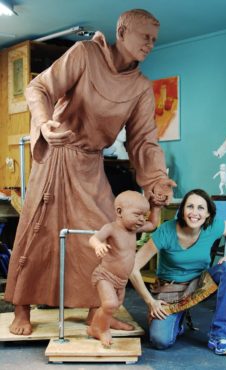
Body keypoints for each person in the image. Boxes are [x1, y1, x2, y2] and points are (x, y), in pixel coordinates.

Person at [4, 8, 176, 336]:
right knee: (37, 230)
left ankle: (98, 312)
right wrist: (44, 123)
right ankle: (21, 307)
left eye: (154, 39)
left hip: (91, 163)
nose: (150, 44)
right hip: (55, 155)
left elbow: (144, 141)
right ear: (122, 32)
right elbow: (38, 89)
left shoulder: (140, 87)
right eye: (145, 37)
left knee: (108, 232)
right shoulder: (84, 54)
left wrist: (155, 179)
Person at [130, 189, 226, 355]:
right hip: (170, 290)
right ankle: (179, 318)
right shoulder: (166, 231)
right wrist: (150, 302)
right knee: (160, 341)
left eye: (200, 208)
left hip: (200, 284)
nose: (194, 213)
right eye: (190, 206)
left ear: (208, 214)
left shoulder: (213, 226)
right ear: (182, 211)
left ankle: (220, 336)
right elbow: (132, 267)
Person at [87, 190, 160, 347]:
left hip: (121, 280)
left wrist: (156, 206)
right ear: (119, 212)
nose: (142, 219)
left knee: (114, 306)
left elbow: (153, 224)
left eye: (144, 215)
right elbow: (93, 238)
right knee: (110, 304)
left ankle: (101, 323)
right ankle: (101, 329)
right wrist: (98, 245)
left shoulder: (134, 229)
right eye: (137, 214)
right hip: (105, 275)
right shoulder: (111, 228)